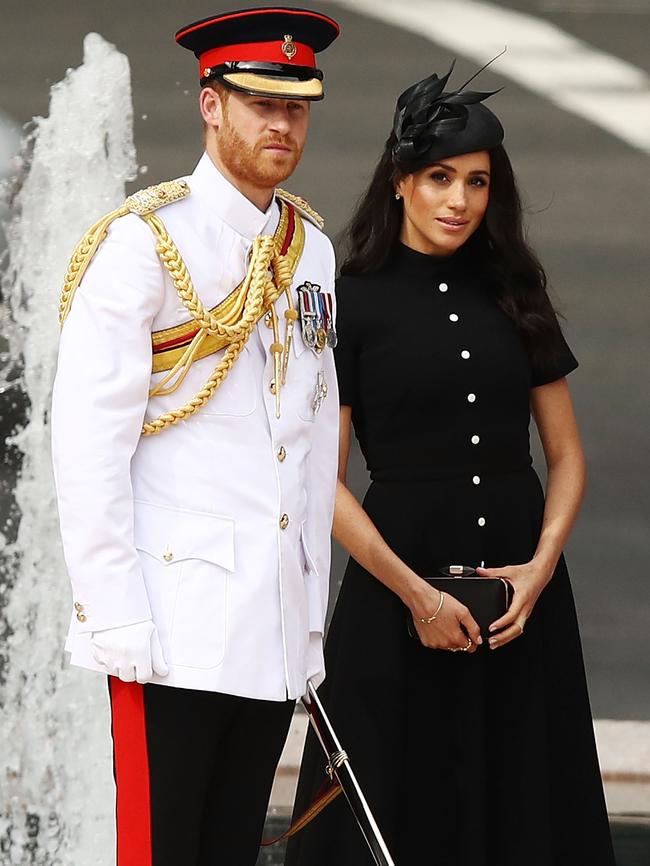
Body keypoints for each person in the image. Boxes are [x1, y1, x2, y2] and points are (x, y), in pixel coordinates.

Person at [285, 65, 615, 866]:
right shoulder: (349, 299)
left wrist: (537, 572)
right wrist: (417, 595)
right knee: (387, 808)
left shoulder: (514, 287)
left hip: (520, 605)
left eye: (475, 182)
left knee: (525, 805)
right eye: (439, 178)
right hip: (395, 592)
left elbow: (567, 458)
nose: (459, 200)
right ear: (400, 182)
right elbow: (319, 481)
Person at [51, 7, 340, 866]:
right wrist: (115, 615)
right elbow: (87, 442)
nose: (281, 124)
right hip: (170, 624)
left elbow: (314, 438)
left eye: (296, 107)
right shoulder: (145, 243)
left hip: (268, 626)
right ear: (211, 105)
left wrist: (308, 620)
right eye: (260, 104)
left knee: (228, 850)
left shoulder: (310, 249)